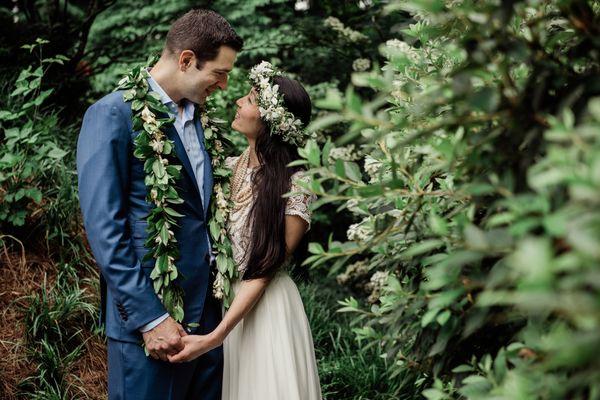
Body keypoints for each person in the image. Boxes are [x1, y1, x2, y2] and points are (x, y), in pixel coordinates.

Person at [76, 9, 242, 400]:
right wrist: (152, 319)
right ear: (186, 60)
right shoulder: (112, 115)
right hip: (152, 326)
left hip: (209, 324)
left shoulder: (201, 120)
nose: (223, 85)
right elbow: (105, 230)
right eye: (218, 73)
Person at [168, 61, 323, 400]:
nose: (238, 101)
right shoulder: (226, 168)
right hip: (230, 308)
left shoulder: (297, 183)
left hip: (268, 312)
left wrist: (215, 336)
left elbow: (264, 271)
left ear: (270, 121)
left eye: (250, 99)